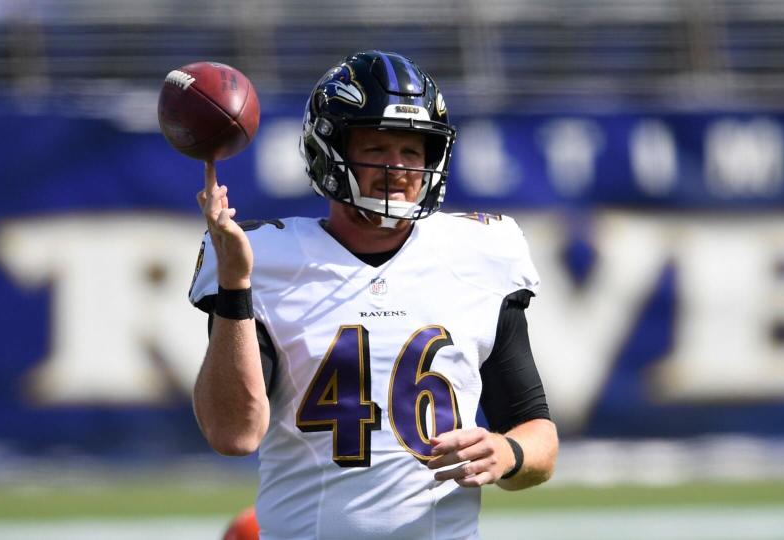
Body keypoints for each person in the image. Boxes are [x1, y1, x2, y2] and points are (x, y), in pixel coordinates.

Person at [190, 50, 558, 540]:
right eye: (378, 148)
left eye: (413, 151)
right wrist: (236, 285)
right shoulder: (264, 257)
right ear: (330, 150)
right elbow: (233, 435)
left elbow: (539, 439)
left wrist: (508, 454)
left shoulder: (481, 255)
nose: (400, 168)